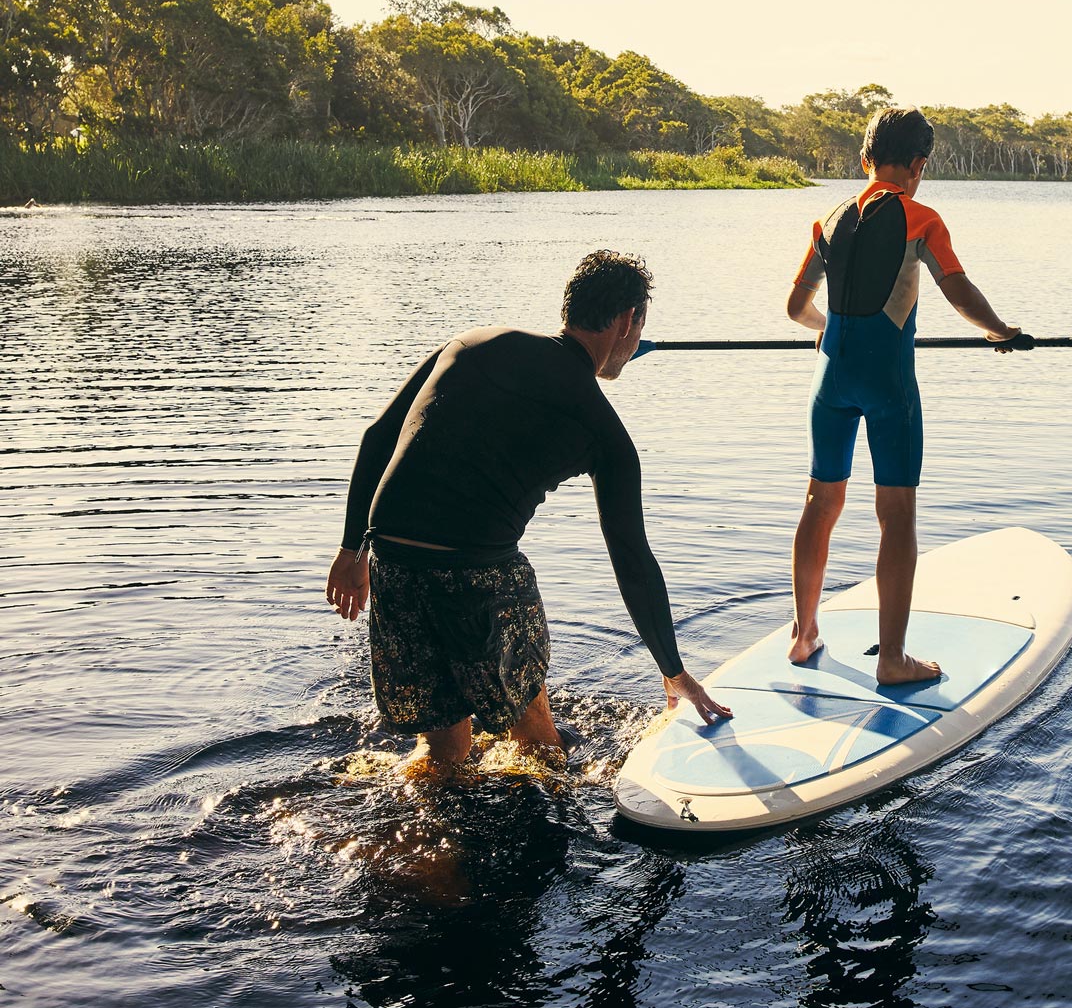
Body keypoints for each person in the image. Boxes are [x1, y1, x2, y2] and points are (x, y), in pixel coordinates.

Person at [325, 250, 730, 770]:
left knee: (444, 751)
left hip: (392, 562)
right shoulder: (604, 431)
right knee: (538, 744)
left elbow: (378, 437)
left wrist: (351, 548)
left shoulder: (472, 343)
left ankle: (432, 833)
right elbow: (631, 558)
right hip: (477, 575)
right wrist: (673, 671)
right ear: (629, 320)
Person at [785, 107, 1021, 684]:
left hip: (830, 379)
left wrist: (825, 328)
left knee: (821, 502)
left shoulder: (829, 219)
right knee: (896, 513)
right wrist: (999, 331)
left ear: (865, 160)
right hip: (888, 383)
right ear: (919, 164)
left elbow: (795, 309)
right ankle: (892, 659)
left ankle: (803, 635)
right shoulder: (922, 219)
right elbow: (958, 290)